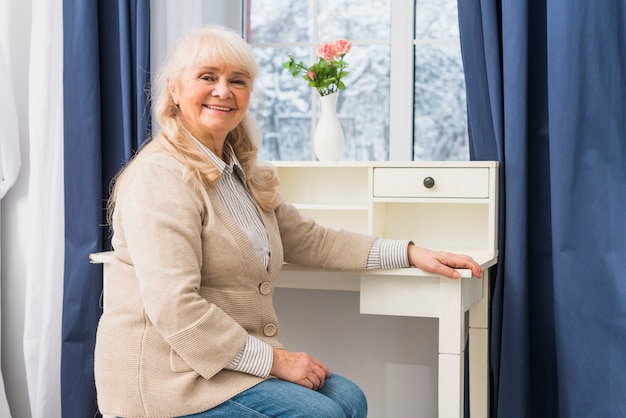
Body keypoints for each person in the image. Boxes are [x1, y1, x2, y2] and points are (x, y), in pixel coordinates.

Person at [94, 25, 484, 418]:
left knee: (349, 400)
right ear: (174, 90)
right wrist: (277, 361)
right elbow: (177, 309)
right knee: (323, 414)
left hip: (222, 367)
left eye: (238, 80)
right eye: (207, 77)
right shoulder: (161, 177)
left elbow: (312, 240)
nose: (223, 91)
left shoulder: (237, 172)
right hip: (170, 380)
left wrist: (411, 252)